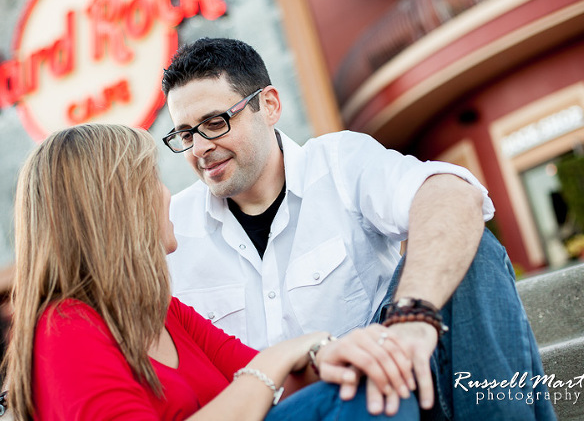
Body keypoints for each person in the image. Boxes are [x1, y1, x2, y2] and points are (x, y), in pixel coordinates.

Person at [161, 38, 556, 420]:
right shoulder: (172, 230)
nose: (198, 149)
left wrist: (414, 315)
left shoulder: (340, 162)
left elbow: (453, 195)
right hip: (276, 413)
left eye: (215, 123)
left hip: (390, 385)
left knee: (472, 250)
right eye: (185, 134)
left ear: (269, 105)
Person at [0, 123, 423, 421]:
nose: (168, 194)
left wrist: (327, 351)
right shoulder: (65, 328)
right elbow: (266, 372)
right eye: (152, 180)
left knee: (369, 378)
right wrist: (279, 358)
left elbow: (274, 380)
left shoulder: (166, 313)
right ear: (115, 208)